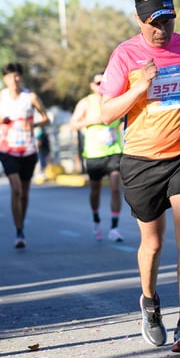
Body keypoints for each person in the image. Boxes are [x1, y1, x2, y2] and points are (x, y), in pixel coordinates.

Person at [100, 0, 180, 353]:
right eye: (153, 23)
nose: (162, 30)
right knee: (153, 243)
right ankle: (149, 303)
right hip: (142, 160)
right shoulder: (125, 55)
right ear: (138, 19)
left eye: (167, 20)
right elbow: (106, 114)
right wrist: (140, 87)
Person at [0, 62, 49, 249]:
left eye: (17, 76)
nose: (14, 79)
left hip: (28, 150)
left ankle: (21, 226)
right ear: (4, 79)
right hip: (8, 150)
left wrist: (34, 124)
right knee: (16, 189)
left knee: (25, 194)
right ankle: (19, 229)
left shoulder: (30, 97)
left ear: (21, 77)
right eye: (9, 76)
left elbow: (45, 118)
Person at [69, 71, 125, 242]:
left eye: (104, 82)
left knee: (115, 187)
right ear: (92, 86)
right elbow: (73, 124)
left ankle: (114, 227)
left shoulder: (115, 100)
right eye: (98, 83)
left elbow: (123, 122)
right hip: (94, 154)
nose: (101, 86)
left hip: (114, 150)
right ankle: (96, 219)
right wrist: (91, 121)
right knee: (95, 190)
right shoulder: (86, 103)